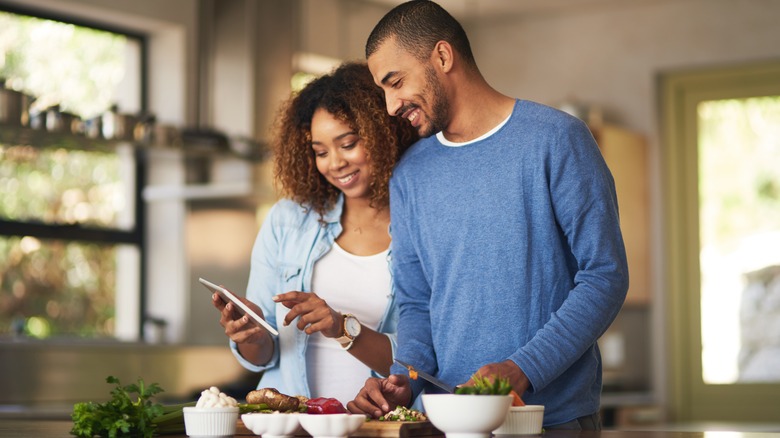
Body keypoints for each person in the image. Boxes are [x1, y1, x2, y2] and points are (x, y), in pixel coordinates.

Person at [347, 0, 628, 430]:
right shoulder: (410, 176)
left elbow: (604, 276)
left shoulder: (557, 140)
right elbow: (417, 304)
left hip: (550, 421)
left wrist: (522, 369)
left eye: (396, 81)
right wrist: (404, 377)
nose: (390, 105)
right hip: (445, 422)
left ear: (442, 56)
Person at [211, 61, 418, 406]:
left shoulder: (422, 226)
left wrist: (340, 326)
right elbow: (264, 354)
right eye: (320, 151)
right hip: (290, 425)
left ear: (385, 133)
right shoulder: (288, 221)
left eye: (348, 144)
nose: (334, 163)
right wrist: (250, 332)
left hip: (374, 425)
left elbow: (418, 364)